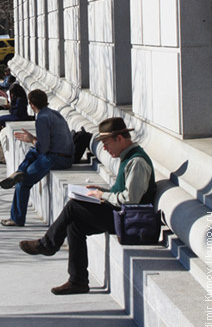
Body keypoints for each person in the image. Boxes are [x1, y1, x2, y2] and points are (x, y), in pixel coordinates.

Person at [18, 117, 156, 295]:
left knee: (74, 206)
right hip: (122, 215)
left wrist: (102, 195)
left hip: (130, 221)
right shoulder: (127, 157)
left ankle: (48, 244)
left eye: (106, 143)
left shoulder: (136, 162)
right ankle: (78, 281)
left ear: (119, 139)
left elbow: (131, 200)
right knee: (75, 226)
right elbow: (123, 192)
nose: (104, 149)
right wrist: (101, 190)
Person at [0, 89, 74, 227]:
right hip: (64, 154)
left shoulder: (42, 118)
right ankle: (19, 172)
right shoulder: (54, 113)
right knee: (32, 153)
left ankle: (17, 218)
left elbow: (43, 148)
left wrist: (31, 139)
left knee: (23, 183)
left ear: (31, 104)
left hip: (56, 158)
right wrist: (33, 139)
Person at [0, 83, 29, 148]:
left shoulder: (20, 99)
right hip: (15, 115)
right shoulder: (17, 98)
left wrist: (10, 107)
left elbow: (18, 111)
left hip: (19, 117)